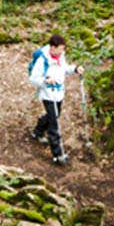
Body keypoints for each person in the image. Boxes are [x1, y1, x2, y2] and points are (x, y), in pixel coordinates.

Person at [28, 33, 82, 166]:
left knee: (55, 114)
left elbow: (64, 69)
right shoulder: (43, 60)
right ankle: (57, 154)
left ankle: (38, 131)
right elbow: (34, 79)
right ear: (52, 48)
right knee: (54, 123)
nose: (62, 52)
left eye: (63, 49)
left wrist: (75, 69)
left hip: (58, 93)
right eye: (60, 49)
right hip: (48, 94)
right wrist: (46, 81)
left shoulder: (60, 57)